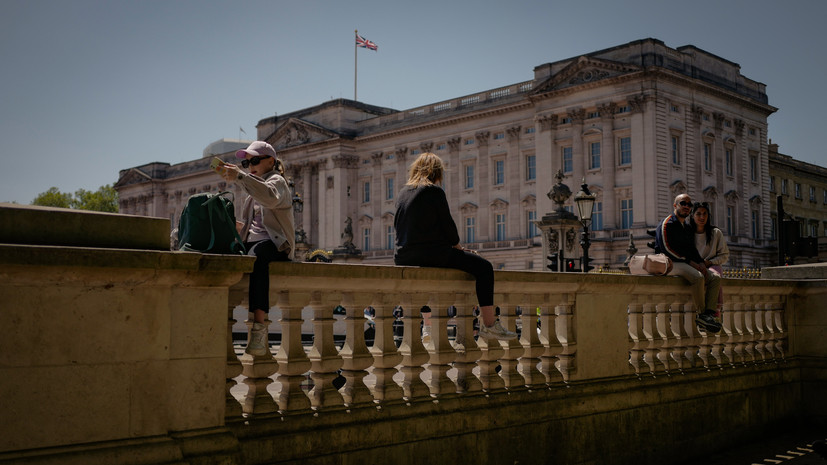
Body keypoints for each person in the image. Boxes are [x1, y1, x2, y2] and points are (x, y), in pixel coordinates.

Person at [393, 152, 517, 341]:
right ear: (436, 173)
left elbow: (398, 225)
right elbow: (448, 227)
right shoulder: (433, 191)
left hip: (402, 255)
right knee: (484, 268)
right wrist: (459, 247)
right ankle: (490, 325)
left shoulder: (402, 193)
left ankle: (427, 326)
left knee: (429, 278)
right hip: (430, 253)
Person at [214, 141, 295, 355]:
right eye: (246, 162)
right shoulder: (252, 189)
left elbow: (270, 198)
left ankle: (259, 328)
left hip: (274, 243)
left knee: (256, 258)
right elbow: (250, 225)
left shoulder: (277, 181)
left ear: (271, 161)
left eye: (255, 160)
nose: (250, 165)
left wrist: (240, 176)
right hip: (253, 241)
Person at [654, 193, 722, 333]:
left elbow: (691, 249)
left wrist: (700, 262)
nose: (686, 206)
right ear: (675, 206)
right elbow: (667, 249)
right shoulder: (667, 223)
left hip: (685, 263)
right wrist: (691, 263)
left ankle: (709, 313)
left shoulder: (685, 226)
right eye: (683, 203)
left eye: (689, 204)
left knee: (714, 278)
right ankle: (702, 315)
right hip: (670, 263)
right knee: (698, 277)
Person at [689, 202, 729, 315]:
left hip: (711, 266)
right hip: (694, 266)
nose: (702, 217)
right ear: (692, 215)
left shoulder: (715, 233)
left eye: (705, 214)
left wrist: (710, 262)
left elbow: (724, 255)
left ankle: (714, 309)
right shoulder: (687, 233)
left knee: (715, 274)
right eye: (698, 214)